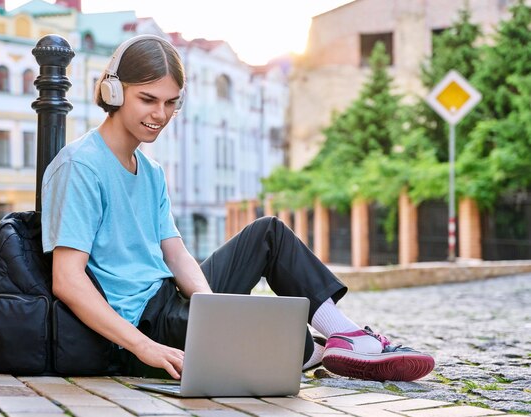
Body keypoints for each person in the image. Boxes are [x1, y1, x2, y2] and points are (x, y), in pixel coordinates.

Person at [41, 34, 435, 382]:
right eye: (147, 99)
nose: (160, 115)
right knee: (281, 334)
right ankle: (315, 351)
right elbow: (68, 280)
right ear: (113, 91)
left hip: (170, 302)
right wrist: (144, 347)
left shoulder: (151, 171)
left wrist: (212, 306)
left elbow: (176, 253)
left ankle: (338, 339)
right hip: (140, 327)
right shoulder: (81, 165)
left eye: (170, 103)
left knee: (269, 233)